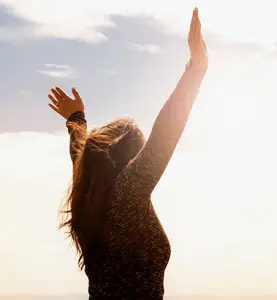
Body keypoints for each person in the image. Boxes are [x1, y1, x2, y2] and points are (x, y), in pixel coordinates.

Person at [48, 8, 208, 300]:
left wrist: (76, 119)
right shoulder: (128, 193)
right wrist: (195, 70)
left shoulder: (90, 197)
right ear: (131, 158)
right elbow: (165, 135)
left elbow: (80, 156)